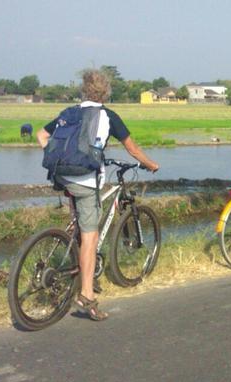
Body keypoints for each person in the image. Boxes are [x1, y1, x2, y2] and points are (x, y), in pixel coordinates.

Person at [36, 69, 159, 321]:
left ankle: (79, 264)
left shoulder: (69, 113)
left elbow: (42, 135)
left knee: (81, 228)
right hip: (85, 179)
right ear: (106, 93)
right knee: (90, 238)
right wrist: (151, 164)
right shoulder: (108, 116)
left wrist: (59, 159)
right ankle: (86, 295)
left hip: (61, 176)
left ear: (84, 90)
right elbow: (132, 149)